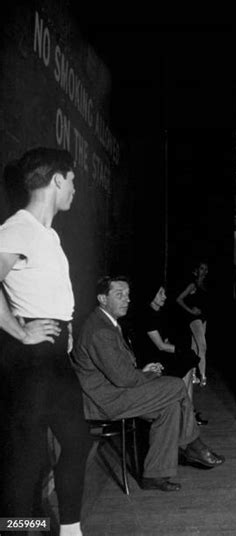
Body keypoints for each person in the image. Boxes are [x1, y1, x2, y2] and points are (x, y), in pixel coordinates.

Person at [0, 148, 91, 536]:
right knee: (28, 459)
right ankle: (18, 530)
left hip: (54, 356)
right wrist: (21, 331)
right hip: (30, 359)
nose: (74, 189)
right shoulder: (17, 228)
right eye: (72, 181)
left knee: (76, 439)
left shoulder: (47, 235)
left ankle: (70, 530)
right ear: (57, 179)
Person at [72, 276, 224, 492]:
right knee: (176, 387)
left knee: (169, 406)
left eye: (127, 295)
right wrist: (146, 376)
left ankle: (155, 476)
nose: (127, 300)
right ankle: (193, 444)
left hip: (114, 391)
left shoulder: (105, 322)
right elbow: (123, 379)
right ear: (102, 298)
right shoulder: (100, 330)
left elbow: (120, 369)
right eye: (119, 295)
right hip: (106, 401)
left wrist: (142, 372)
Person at [139, 285, 206, 425]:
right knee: (188, 357)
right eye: (160, 293)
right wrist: (180, 350)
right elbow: (160, 345)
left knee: (189, 360)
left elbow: (166, 340)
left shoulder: (159, 314)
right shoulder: (147, 316)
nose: (164, 296)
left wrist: (181, 351)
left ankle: (187, 410)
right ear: (151, 295)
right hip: (153, 360)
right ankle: (186, 412)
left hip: (162, 355)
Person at [176, 261, 209, 386]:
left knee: (195, 347)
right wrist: (190, 310)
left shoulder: (204, 285)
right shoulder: (193, 285)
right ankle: (203, 376)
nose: (204, 271)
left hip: (203, 318)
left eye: (205, 269)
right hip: (194, 319)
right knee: (202, 346)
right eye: (201, 268)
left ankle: (194, 375)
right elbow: (179, 299)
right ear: (197, 270)